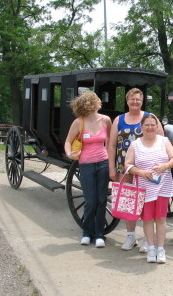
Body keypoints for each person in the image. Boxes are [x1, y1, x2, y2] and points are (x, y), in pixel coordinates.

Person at [108, 88, 164, 252]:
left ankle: (148, 239)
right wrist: (111, 167)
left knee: (148, 203)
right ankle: (131, 236)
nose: (135, 102)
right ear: (127, 101)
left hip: (146, 169)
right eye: (132, 99)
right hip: (124, 168)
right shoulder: (119, 120)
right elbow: (111, 145)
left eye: (138, 100)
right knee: (128, 202)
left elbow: (162, 141)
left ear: (142, 101)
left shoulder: (150, 118)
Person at [124, 113, 173, 263]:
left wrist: (165, 166)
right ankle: (151, 248)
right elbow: (127, 165)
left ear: (157, 127)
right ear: (141, 127)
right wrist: (140, 172)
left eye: (152, 125)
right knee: (147, 219)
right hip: (144, 188)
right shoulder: (135, 144)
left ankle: (161, 249)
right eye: (146, 125)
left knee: (161, 219)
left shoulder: (164, 141)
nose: (149, 128)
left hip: (162, 186)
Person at [64, 91, 112, 248]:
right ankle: (86, 232)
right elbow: (68, 141)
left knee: (101, 200)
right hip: (86, 164)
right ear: (91, 103)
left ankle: (99, 234)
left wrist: (112, 163)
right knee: (90, 201)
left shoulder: (106, 120)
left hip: (103, 163)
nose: (100, 102)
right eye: (98, 100)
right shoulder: (79, 122)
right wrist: (69, 154)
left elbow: (110, 143)